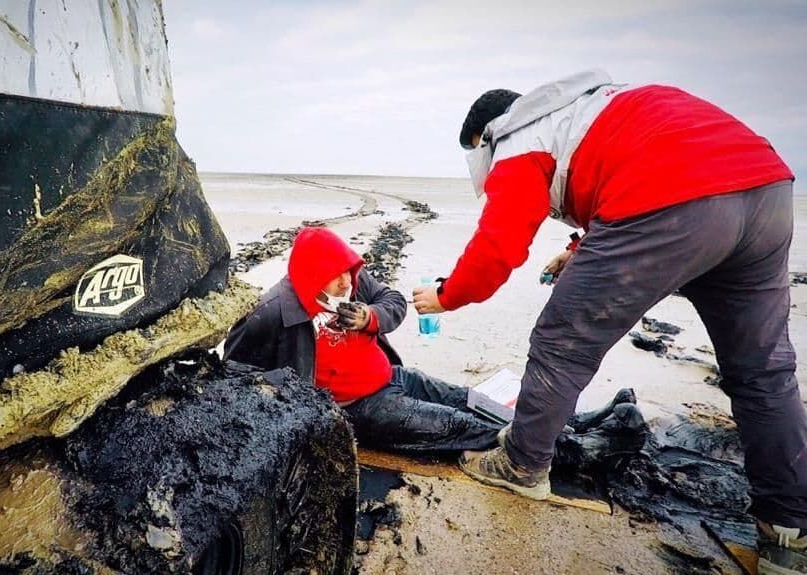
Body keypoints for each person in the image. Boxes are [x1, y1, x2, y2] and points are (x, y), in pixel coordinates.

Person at [410, 69, 802, 573]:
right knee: (762, 372)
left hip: (678, 199)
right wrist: (579, 249)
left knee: (562, 339)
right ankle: (788, 532)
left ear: (486, 135)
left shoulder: (515, 138)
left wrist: (447, 296)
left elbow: (498, 246)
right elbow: (628, 166)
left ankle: (521, 464)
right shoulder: (588, 109)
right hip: (766, 189)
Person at [224, 226, 645, 468]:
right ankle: (581, 450)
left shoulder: (353, 280)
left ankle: (577, 421)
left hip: (392, 376)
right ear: (310, 275)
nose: (346, 284)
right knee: (457, 425)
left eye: (350, 274)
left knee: (473, 400)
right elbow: (234, 374)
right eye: (335, 277)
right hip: (357, 407)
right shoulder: (273, 311)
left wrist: (370, 318)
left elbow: (393, 302)